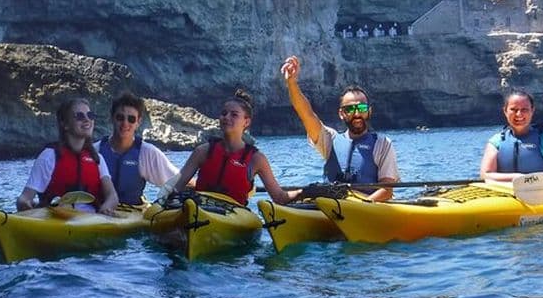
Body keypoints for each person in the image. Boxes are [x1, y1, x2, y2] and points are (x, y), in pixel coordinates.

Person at [280, 55, 400, 201]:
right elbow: (307, 115)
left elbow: (387, 189)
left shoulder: (382, 143)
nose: (357, 114)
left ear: (369, 111)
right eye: (350, 109)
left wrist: (362, 206)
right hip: (331, 205)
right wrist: (292, 83)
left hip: (367, 206)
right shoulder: (330, 140)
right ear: (341, 114)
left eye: (361, 108)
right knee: (303, 193)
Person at [169, 89, 299, 205]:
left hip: (234, 217)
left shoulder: (257, 159)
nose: (226, 117)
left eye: (234, 115)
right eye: (224, 113)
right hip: (199, 210)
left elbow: (279, 197)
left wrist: (304, 192)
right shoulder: (202, 151)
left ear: (246, 122)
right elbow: (176, 188)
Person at [16, 98, 119, 214]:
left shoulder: (97, 158)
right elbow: (24, 199)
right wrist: (26, 207)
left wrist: (105, 209)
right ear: (65, 124)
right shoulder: (49, 157)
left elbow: (112, 196)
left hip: (92, 219)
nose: (87, 120)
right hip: (55, 219)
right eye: (79, 116)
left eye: (90, 115)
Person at [480, 89, 543, 188]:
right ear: (505, 111)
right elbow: (486, 175)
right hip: (507, 197)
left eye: (524, 109)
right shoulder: (496, 142)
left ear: (532, 111)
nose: (519, 114)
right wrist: (518, 178)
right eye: (514, 109)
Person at [94, 92, 179, 205]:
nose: (125, 123)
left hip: (133, 216)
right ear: (112, 118)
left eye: (131, 119)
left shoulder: (147, 153)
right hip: (100, 215)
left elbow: (178, 180)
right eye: (120, 117)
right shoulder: (95, 151)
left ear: (138, 122)